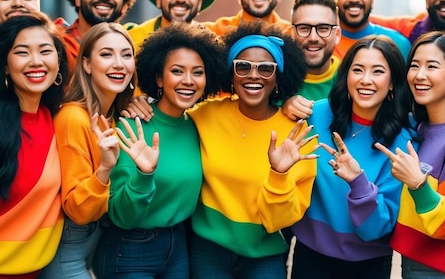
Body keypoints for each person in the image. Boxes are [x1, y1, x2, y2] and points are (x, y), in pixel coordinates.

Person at [91, 23, 225, 278]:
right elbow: (121, 216)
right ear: (159, 78)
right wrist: (144, 174)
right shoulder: (132, 125)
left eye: (198, 72)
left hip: (179, 244)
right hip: (130, 248)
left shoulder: (198, 125)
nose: (188, 80)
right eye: (177, 71)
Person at [187, 21, 318, 279]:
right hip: (207, 251)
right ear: (230, 74)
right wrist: (138, 103)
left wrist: (279, 175)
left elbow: (282, 220)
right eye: (243, 66)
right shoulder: (204, 115)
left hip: (264, 255)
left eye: (266, 69)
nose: (253, 75)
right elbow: (167, 112)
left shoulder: (297, 136)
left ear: (278, 77)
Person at [290, 36, 416, 278]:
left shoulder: (401, 144)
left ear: (392, 83)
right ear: (346, 75)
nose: (365, 80)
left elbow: (376, 229)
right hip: (310, 256)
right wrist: (287, 103)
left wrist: (358, 182)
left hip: (368, 264)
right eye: (357, 70)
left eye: (378, 71)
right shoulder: (315, 115)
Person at [0, 12, 68, 278]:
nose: (36, 61)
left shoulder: (57, 118)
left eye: (45, 51)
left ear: (58, 61)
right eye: (22, 52)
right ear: (5, 66)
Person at [376, 31, 445, 277]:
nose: (420, 75)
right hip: (413, 263)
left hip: (444, 269)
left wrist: (419, 185)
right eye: (414, 65)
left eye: (432, 66)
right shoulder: (418, 128)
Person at [39, 22, 136, 278]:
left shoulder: (109, 115)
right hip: (68, 249)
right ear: (86, 64)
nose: (119, 64)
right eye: (106, 54)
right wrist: (105, 168)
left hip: (94, 244)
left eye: (126, 55)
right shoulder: (74, 118)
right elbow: (77, 210)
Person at [281, 0, 341, 121]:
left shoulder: (352, 79)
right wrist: (281, 109)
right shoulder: (273, 80)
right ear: (291, 33)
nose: (313, 37)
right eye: (304, 28)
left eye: (323, 28)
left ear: (337, 35)